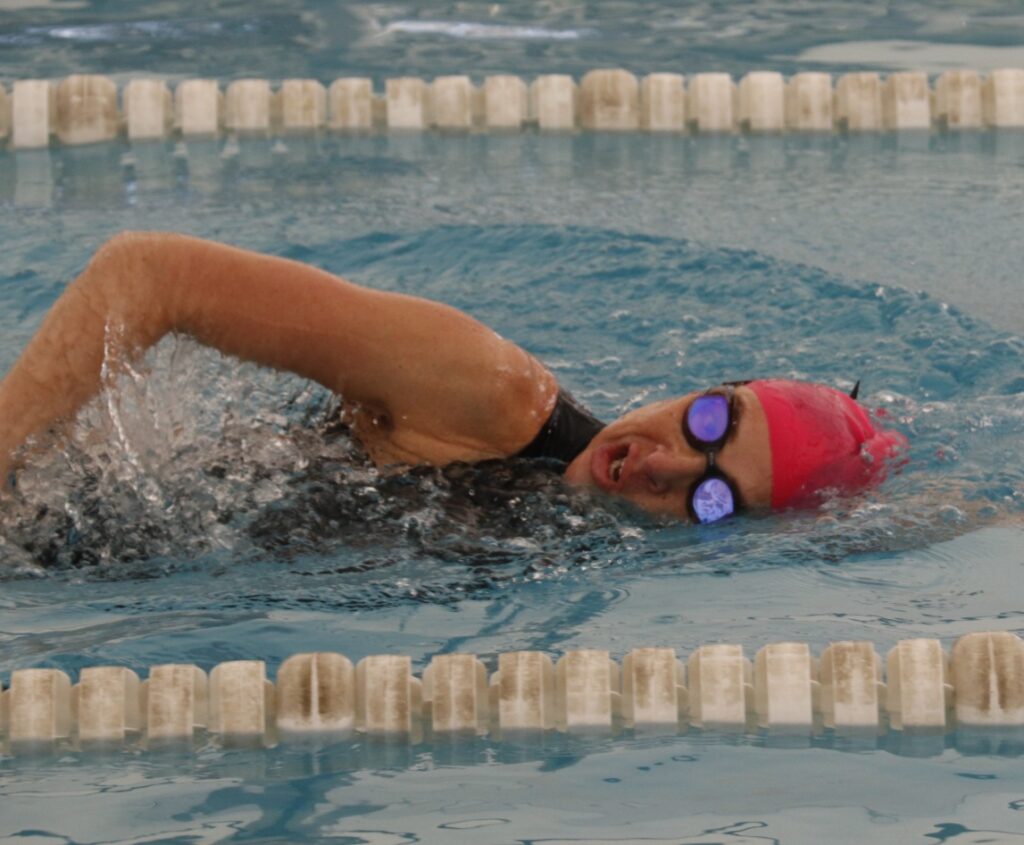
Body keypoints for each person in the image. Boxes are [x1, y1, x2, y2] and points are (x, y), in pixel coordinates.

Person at [0, 232, 905, 524]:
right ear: (712, 382)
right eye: (712, 421)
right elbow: (147, 274)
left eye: (713, 501)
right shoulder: (491, 393)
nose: (666, 465)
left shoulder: (574, 545)